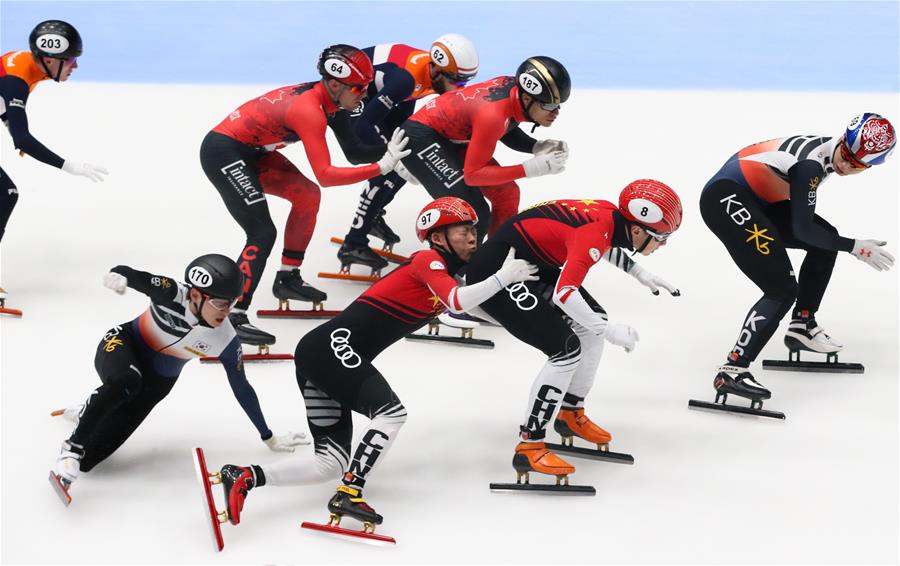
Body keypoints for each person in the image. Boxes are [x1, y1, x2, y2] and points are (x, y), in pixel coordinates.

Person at [203, 198, 538, 534]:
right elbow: (455, 302)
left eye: (475, 230)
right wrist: (502, 278)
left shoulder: (446, 276)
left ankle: (245, 475)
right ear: (438, 238)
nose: (473, 237)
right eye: (464, 230)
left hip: (322, 353)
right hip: (332, 348)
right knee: (391, 414)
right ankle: (350, 492)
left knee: (328, 463)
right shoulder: (427, 260)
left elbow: (468, 306)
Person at [463, 180, 682, 484]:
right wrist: (609, 331)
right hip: (497, 273)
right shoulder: (595, 233)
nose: (664, 244)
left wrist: (639, 273)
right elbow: (565, 293)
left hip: (530, 262)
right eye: (661, 237)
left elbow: (603, 245)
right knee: (565, 350)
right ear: (637, 230)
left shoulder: (610, 218)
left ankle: (569, 412)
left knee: (590, 327)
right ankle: (529, 444)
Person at [199, 44, 410, 344]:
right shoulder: (308, 110)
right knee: (261, 231)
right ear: (335, 84)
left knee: (307, 195)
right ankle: (233, 313)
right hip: (224, 152)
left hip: (254, 150)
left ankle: (287, 277)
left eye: (366, 86)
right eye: (359, 88)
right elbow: (326, 175)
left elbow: (353, 153)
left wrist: (393, 152)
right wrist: (381, 167)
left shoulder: (334, 101)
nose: (364, 94)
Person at [51, 254, 306, 501]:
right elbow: (135, 275)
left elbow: (242, 388)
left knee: (90, 461)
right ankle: (71, 450)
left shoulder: (226, 340)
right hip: (121, 345)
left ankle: (89, 411)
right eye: (220, 303)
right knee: (127, 380)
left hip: (155, 385)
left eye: (233, 302)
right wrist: (118, 276)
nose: (227, 311)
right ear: (195, 295)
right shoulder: (172, 293)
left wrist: (268, 436)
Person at [699, 113, 896, 404]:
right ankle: (732, 369)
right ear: (842, 139)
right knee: (781, 289)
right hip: (727, 199)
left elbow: (806, 227)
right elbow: (802, 230)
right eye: (846, 154)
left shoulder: (823, 159)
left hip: (756, 200)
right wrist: (856, 247)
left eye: (856, 165)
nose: (845, 164)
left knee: (826, 240)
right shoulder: (810, 165)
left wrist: (843, 244)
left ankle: (802, 325)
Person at [333, 34, 479, 270]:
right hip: (351, 97)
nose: (460, 88)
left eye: (465, 82)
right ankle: (353, 242)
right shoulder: (406, 80)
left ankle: (372, 214)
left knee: (405, 152)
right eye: (458, 82)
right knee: (393, 160)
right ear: (438, 71)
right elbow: (362, 125)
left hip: (378, 91)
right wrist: (392, 158)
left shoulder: (424, 77)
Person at [399, 56, 572, 241]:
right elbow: (473, 175)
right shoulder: (492, 115)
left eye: (558, 106)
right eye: (549, 106)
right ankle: (459, 266)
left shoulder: (515, 91)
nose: (556, 113)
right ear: (527, 98)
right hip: (420, 138)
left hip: (452, 135)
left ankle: (494, 257)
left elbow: (507, 126)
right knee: (473, 213)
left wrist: (535, 146)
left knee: (508, 195)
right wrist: (530, 168)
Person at [1, 20, 108, 246]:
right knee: (5, 194)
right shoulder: (15, 80)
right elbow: (23, 138)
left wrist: (10, 125)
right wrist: (69, 166)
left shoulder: (24, 63)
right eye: (70, 59)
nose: (75, 66)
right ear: (49, 59)